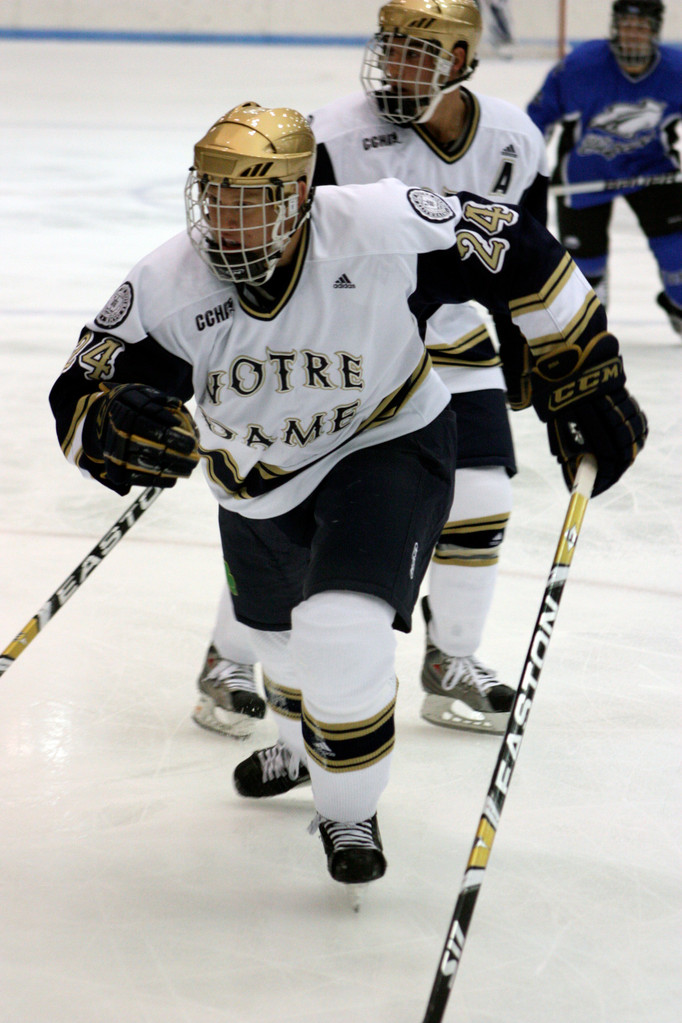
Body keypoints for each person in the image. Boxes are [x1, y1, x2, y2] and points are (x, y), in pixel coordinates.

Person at [49, 102, 646, 891]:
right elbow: (82, 386)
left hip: (387, 441)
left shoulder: (380, 226)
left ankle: (348, 808)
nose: (227, 220)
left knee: (342, 628)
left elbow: (513, 244)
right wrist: (104, 426)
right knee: (282, 650)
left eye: (251, 200)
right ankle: (302, 743)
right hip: (257, 486)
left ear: (299, 195)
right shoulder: (167, 285)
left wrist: (584, 367)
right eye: (215, 197)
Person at [193, 0, 548, 741]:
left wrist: (531, 341)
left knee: (483, 494)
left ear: (459, 61)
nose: (395, 66)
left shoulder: (515, 138)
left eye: (417, 53)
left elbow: (523, 251)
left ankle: (451, 660)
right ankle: (229, 658)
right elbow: (277, 247)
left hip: (448, 345)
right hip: (344, 354)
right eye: (390, 48)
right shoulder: (332, 134)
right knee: (285, 512)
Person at [527, 0, 682, 334]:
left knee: (678, 256)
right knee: (587, 277)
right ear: (615, 27)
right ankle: (592, 328)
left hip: (653, 170)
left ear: (655, 31)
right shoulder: (580, 67)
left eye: (640, 27)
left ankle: (677, 305)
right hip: (584, 175)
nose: (632, 34)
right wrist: (527, 170)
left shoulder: (676, 69)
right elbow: (538, 118)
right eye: (626, 25)